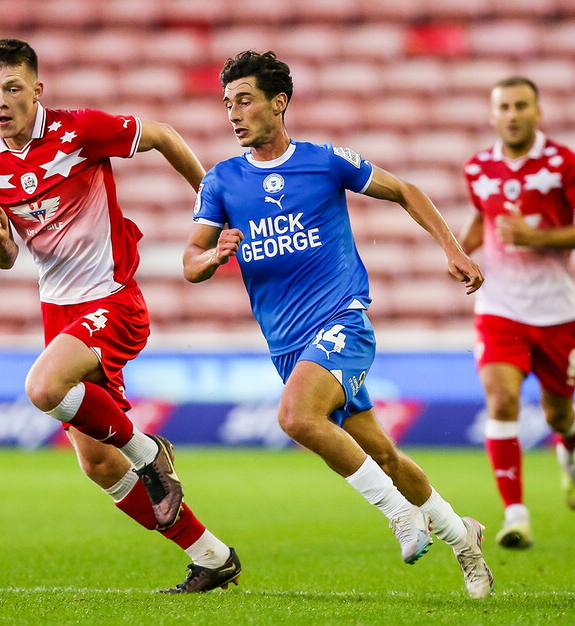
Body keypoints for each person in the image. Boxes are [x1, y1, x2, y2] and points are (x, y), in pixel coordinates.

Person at [183, 50, 493, 599]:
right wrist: (210, 259)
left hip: (342, 319)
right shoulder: (221, 182)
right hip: (287, 343)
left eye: (246, 100)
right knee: (385, 455)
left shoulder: (325, 161)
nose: (233, 113)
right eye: (228, 102)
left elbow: (404, 190)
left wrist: (453, 250)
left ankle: (400, 515)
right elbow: (191, 260)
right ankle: (462, 538)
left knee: (297, 417)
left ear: (279, 103)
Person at [0, 38, 240, 593]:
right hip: (56, 310)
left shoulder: (78, 131)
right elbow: (8, 257)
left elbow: (160, 135)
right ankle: (211, 556)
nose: (0, 101)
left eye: (12, 88)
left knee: (43, 387)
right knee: (99, 466)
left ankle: (148, 450)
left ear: (36, 89)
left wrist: (211, 205)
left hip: (110, 298)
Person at [459, 76, 575, 549]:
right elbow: (483, 217)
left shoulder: (565, 164)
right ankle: (515, 515)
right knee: (501, 401)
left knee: (556, 413)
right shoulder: (478, 167)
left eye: (521, 105)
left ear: (537, 112)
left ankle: (571, 444)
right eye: (503, 106)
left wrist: (537, 237)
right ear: (492, 114)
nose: (512, 114)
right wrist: (460, 250)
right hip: (500, 309)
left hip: (557, 314)